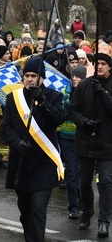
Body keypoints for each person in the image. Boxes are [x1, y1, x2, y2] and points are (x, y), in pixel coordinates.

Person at [1, 56, 64, 242]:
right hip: (21, 163)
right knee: (25, 211)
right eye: (26, 75)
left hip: (44, 163)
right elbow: (6, 128)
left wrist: (43, 101)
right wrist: (17, 142)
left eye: (33, 75)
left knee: (38, 210)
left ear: (42, 78)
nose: (29, 79)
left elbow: (58, 119)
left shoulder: (54, 96)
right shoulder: (14, 98)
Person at [68, 45, 112, 236]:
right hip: (85, 142)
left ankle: (104, 221)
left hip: (107, 144)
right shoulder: (84, 86)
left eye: (104, 64)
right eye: (97, 63)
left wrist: (102, 94)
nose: (100, 67)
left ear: (109, 67)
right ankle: (87, 213)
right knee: (84, 182)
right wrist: (85, 123)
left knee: (106, 182)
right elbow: (72, 111)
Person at [59, 64, 86, 220]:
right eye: (73, 76)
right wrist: (71, 99)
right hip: (67, 137)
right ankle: (73, 206)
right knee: (72, 173)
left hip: (83, 138)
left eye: (78, 76)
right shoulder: (65, 92)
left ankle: (83, 202)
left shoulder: (88, 93)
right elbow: (63, 111)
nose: (75, 78)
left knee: (84, 174)